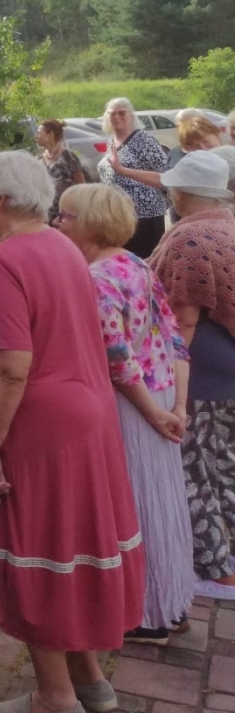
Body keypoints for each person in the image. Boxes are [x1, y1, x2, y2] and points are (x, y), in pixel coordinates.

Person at [0, 151, 142, 713]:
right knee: (70, 545)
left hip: (37, 426)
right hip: (88, 414)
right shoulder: (62, 245)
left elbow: (11, 362)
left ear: (1, 200)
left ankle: (55, 698)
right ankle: (90, 680)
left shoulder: (1, 261)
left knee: (35, 546)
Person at [56, 183, 193, 644]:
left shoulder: (95, 279)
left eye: (65, 216)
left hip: (134, 405)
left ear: (91, 224)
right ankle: (170, 604)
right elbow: (173, 336)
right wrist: (177, 406)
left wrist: (156, 415)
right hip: (162, 393)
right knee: (164, 501)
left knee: (135, 506)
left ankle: (146, 614)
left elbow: (117, 360)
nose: (57, 224)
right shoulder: (135, 263)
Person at [149, 150, 235, 597]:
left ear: (183, 193)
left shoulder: (191, 241)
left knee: (196, 467)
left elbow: (181, 321)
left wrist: (174, 390)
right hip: (228, 365)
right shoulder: (229, 225)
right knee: (223, 463)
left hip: (204, 368)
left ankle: (216, 568)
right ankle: (227, 552)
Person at [98, 96, 169, 258]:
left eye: (121, 113)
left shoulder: (144, 140)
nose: (116, 117)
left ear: (131, 115)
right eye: (112, 113)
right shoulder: (111, 142)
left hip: (145, 217)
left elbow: (165, 177)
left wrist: (123, 170)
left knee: (143, 262)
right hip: (119, 215)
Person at [36, 119, 86, 225]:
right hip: (46, 213)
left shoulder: (69, 157)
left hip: (65, 213)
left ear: (50, 135)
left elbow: (81, 187)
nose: (36, 136)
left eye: (39, 132)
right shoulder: (39, 159)